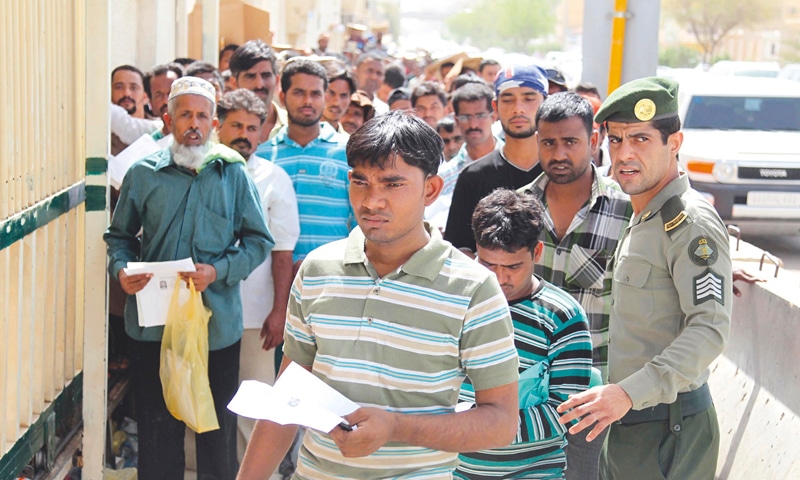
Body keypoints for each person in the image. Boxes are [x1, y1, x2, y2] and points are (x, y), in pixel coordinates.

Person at [238, 111, 520, 480]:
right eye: (360, 181)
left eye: (391, 184)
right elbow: (289, 398)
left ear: (431, 190)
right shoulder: (317, 270)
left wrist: (396, 427)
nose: (372, 201)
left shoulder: (473, 288)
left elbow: (500, 423)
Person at [557, 77, 732, 479]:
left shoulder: (690, 224)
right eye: (616, 140)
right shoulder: (645, 215)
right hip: (628, 421)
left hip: (669, 428)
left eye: (641, 139)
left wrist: (628, 393)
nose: (625, 153)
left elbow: (710, 328)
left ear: (674, 143)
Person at [104, 76, 274, 480]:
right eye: (185, 115)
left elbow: (258, 241)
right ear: (168, 118)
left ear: (214, 122)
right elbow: (119, 237)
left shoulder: (232, 174)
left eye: (202, 115)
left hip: (216, 326)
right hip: (154, 327)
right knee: (158, 430)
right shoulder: (143, 174)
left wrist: (218, 270)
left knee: (215, 434)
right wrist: (121, 269)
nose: (194, 123)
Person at [518, 92, 633, 480]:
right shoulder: (518, 210)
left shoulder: (627, 210)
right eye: (548, 142)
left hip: (590, 397)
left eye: (570, 141)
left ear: (594, 141)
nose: (559, 153)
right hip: (524, 399)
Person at [455, 188, 592, 479]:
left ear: (537, 252)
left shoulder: (563, 317)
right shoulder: (456, 303)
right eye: (488, 264)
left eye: (513, 266)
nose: (499, 278)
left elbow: (566, 410)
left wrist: (478, 425)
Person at [214, 89, 300, 456]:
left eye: (252, 127)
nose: (244, 134)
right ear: (218, 126)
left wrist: (279, 310)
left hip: (256, 313)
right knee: (201, 400)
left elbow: (282, 252)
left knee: (255, 405)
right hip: (203, 310)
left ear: (263, 133)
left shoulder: (273, 178)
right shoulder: (200, 172)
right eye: (236, 125)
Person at [444, 64, 548, 255]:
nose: (518, 109)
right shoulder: (474, 176)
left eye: (529, 98)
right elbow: (458, 249)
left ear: (546, 103)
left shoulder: (559, 172)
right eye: (508, 100)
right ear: (495, 107)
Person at [255, 58, 350, 264]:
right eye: (299, 93)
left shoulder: (349, 152)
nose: (308, 101)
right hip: (271, 280)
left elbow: (361, 222)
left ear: (325, 98)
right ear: (282, 97)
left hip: (330, 276)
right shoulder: (262, 156)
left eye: (315, 94)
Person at [229, 40, 287, 142]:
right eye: (250, 76)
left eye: (266, 75)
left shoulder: (293, 127)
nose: (259, 85)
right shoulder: (219, 131)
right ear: (234, 83)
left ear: (277, 81)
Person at [320, 60, 357, 135]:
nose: (336, 102)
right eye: (331, 93)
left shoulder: (348, 144)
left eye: (343, 95)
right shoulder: (295, 138)